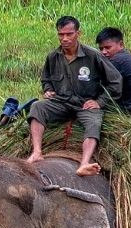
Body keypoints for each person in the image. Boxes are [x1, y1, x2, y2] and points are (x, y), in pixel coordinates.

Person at [24, 15, 123, 177]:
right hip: (62, 102)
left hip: (85, 105)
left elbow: (116, 81)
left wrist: (99, 102)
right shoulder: (53, 57)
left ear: (78, 33)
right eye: (61, 35)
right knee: (37, 107)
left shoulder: (92, 56)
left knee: (94, 122)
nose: (65, 39)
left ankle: (84, 162)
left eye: (69, 34)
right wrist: (48, 89)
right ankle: (37, 152)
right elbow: (46, 78)